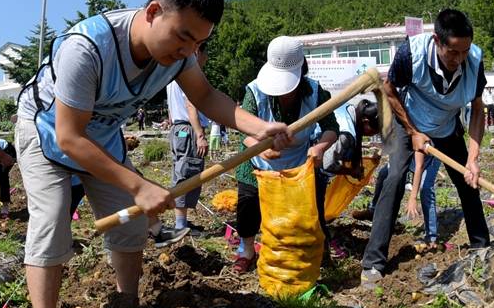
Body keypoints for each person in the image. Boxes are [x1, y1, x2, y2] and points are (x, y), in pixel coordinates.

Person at [15, 0, 292, 308]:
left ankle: (128, 306)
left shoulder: (178, 58)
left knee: (130, 228)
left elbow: (208, 96)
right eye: (182, 36)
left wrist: (259, 128)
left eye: (197, 43)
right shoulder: (86, 49)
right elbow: (70, 138)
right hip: (48, 131)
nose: (186, 51)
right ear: (152, 11)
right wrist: (140, 184)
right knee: (52, 219)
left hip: (102, 136)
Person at [361, 9, 490, 288]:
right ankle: (374, 262)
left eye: (464, 51)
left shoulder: (474, 60)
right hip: (409, 122)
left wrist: (473, 157)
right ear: (437, 41)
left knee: (468, 181)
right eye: (452, 52)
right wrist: (413, 132)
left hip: (446, 125)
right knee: (395, 178)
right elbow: (390, 91)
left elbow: (478, 110)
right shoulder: (411, 53)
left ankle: (481, 248)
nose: (459, 59)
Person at [233, 36, 339, 274]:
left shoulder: (314, 92)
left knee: (300, 214)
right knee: (249, 206)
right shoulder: (255, 91)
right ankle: (247, 251)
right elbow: (244, 132)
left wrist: (320, 147)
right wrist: (261, 148)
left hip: (297, 164)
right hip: (257, 161)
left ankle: (305, 254)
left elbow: (332, 127)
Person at [161, 43, 210, 242]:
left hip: (177, 129)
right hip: (188, 129)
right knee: (187, 173)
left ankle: (182, 221)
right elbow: (191, 104)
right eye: (205, 54)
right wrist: (200, 134)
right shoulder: (189, 75)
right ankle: (180, 225)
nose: (206, 59)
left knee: (180, 170)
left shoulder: (171, 75)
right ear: (198, 52)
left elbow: (173, 110)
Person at [321, 99, 380, 178]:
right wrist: (351, 172)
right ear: (366, 121)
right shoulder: (346, 136)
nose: (372, 135)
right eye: (374, 131)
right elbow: (327, 164)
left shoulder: (348, 107)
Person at [405, 152, 442, 250]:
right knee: (385, 174)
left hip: (432, 153)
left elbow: (419, 166)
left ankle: (431, 237)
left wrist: (413, 197)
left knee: (425, 187)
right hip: (415, 157)